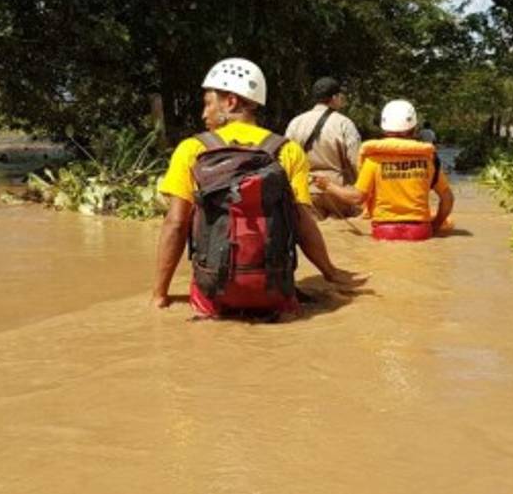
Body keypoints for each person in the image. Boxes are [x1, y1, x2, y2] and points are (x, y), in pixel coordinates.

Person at [153, 57, 365, 317]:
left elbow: (176, 223)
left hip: (212, 295)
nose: (203, 114)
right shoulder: (288, 151)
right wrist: (330, 272)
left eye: (208, 104)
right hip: (275, 294)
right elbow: (301, 222)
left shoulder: (192, 149)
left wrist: (159, 295)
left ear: (231, 102)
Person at [315, 99, 453, 241]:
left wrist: (328, 186)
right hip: (419, 232)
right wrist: (435, 226)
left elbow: (357, 198)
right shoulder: (429, 160)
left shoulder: (373, 160)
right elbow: (448, 199)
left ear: (383, 128)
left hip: (385, 232)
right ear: (414, 128)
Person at [284, 77, 362, 220]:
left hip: (306, 191)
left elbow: (287, 160)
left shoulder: (296, 123)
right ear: (334, 98)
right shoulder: (344, 123)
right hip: (338, 192)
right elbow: (356, 162)